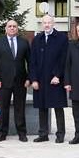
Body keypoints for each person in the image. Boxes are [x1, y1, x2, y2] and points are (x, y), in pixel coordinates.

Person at [0, 19, 30, 142]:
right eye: (9, 26)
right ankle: (1, 133)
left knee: (20, 107)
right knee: (3, 108)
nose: (12, 28)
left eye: (14, 26)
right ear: (6, 29)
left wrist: (29, 78)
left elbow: (30, 62)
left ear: (17, 29)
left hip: (21, 81)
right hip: (3, 81)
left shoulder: (24, 42)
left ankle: (22, 133)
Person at [29, 14, 68, 142]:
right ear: (42, 24)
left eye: (49, 22)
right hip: (40, 79)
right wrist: (34, 79)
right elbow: (32, 61)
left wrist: (58, 75)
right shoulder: (37, 39)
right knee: (42, 106)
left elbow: (64, 59)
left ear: (53, 23)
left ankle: (60, 134)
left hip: (55, 79)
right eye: (44, 22)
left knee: (58, 107)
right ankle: (43, 134)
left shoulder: (62, 38)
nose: (46, 25)